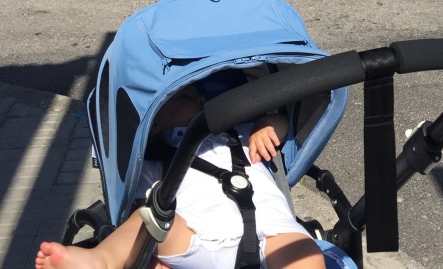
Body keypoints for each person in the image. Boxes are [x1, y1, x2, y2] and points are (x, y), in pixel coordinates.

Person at [35, 83, 325, 269]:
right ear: (154, 124)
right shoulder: (154, 162)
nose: (199, 97)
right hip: (197, 234)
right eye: (185, 97)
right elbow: (141, 208)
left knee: (305, 255)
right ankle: (100, 259)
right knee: (149, 220)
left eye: (199, 94)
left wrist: (266, 126)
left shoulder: (239, 131)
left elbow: (282, 123)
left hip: (272, 229)